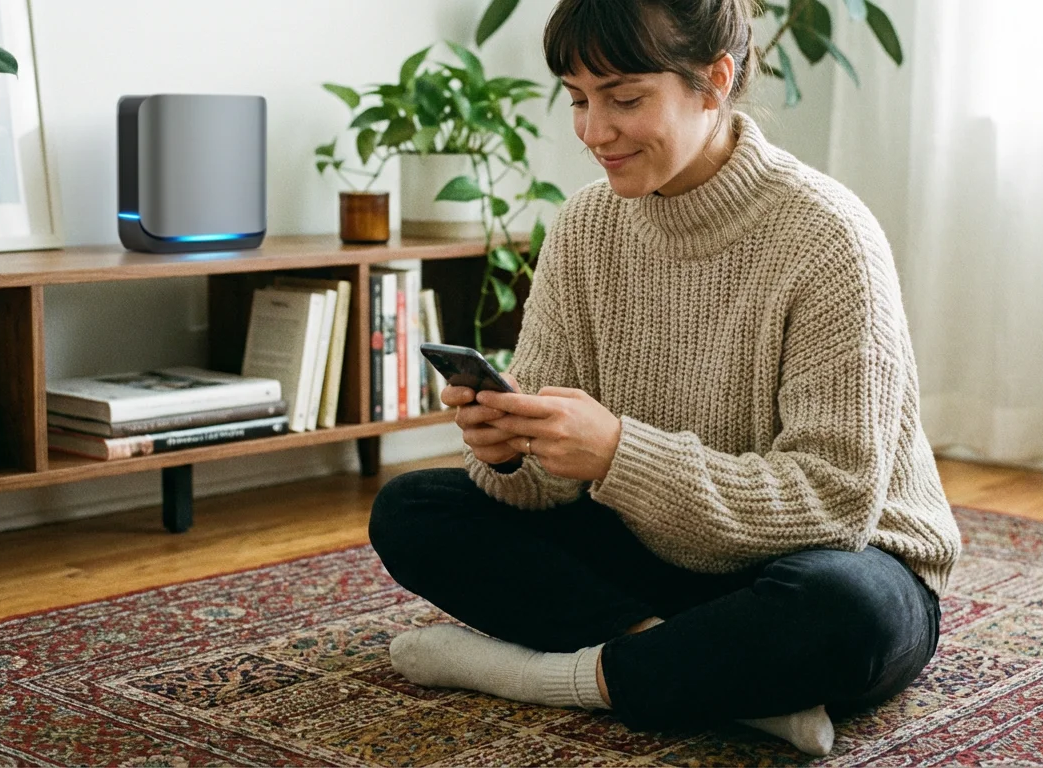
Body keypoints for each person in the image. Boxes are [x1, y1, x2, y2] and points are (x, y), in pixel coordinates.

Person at [368, 0, 961, 756]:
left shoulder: (828, 236)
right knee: (414, 509)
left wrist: (619, 454)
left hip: (825, 561)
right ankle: (698, 669)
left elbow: (834, 501)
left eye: (624, 98)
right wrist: (510, 453)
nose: (592, 131)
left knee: (847, 613)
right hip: (658, 556)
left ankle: (542, 674)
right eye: (578, 99)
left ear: (714, 81)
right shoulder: (585, 228)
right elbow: (546, 490)